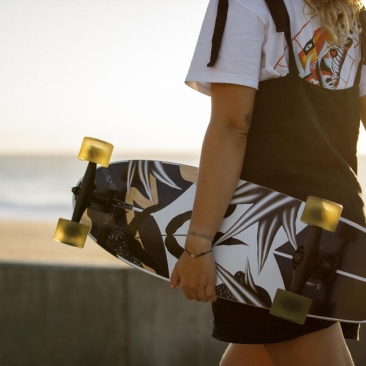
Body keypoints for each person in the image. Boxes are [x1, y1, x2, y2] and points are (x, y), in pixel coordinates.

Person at [170, 0, 366, 365]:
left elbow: (232, 127)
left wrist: (197, 243)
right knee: (253, 354)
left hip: (270, 234)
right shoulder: (355, 18)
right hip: (339, 228)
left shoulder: (247, 4)